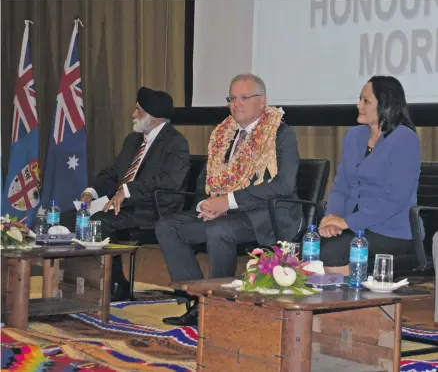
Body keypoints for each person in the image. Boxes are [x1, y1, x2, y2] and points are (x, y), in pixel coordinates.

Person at [155, 74, 302, 326]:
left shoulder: (280, 133)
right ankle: (198, 301)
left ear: (262, 101)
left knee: (218, 230)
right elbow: (206, 180)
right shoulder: (224, 133)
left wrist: (229, 201)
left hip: (264, 215)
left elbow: (284, 184)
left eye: (244, 97)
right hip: (224, 212)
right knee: (168, 226)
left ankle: (219, 306)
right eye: (232, 98)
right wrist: (206, 204)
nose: (236, 104)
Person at [60, 87, 190, 300]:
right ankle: (76, 282)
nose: (133, 115)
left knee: (98, 222)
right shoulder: (133, 140)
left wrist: (127, 190)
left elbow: (170, 182)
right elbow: (113, 173)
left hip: (153, 209)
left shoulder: (176, 143)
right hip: (123, 207)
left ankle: (115, 281)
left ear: (154, 116)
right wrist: (90, 193)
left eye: (139, 111)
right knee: (69, 217)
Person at [318, 75, 422, 275]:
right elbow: (341, 187)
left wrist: (347, 223)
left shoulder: (404, 138)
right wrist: (334, 219)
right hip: (353, 224)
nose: (359, 105)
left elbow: (396, 199)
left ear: (386, 104)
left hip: (391, 229)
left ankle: (356, 304)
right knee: (313, 244)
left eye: (366, 101)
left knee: (332, 252)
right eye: (360, 99)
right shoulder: (354, 136)